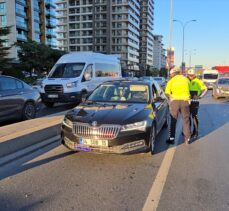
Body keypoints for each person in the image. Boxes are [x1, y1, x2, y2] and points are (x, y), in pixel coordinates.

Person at [165, 68, 191, 145]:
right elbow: (191, 89)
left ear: (173, 74)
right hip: (185, 101)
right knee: (186, 120)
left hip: (175, 102)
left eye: (171, 74)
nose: (170, 75)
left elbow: (167, 92)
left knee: (173, 120)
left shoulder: (171, 81)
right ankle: (187, 139)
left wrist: (171, 99)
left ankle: (172, 138)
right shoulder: (186, 79)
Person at [187, 69, 207, 138]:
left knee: (194, 116)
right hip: (187, 101)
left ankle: (195, 132)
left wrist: (200, 96)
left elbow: (205, 89)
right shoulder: (186, 81)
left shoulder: (198, 81)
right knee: (187, 117)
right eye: (189, 75)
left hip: (195, 102)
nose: (190, 76)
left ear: (194, 75)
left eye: (192, 75)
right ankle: (188, 131)